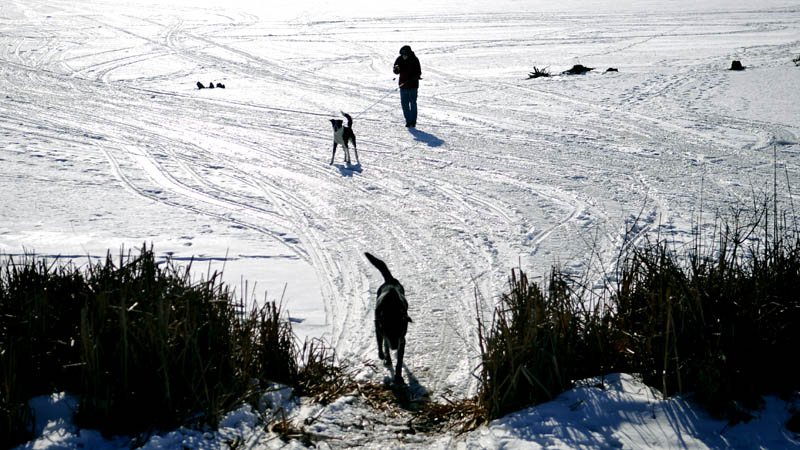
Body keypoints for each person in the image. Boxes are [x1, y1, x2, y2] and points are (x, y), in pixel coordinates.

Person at [393, 45, 422, 128]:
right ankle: (408, 121)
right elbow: (396, 71)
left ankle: (413, 121)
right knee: (404, 104)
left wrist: (413, 78)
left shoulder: (414, 59)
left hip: (413, 86)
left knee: (413, 103)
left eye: (405, 54)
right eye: (402, 54)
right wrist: (396, 69)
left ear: (409, 53)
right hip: (403, 86)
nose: (404, 56)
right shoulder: (399, 59)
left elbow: (418, 72)